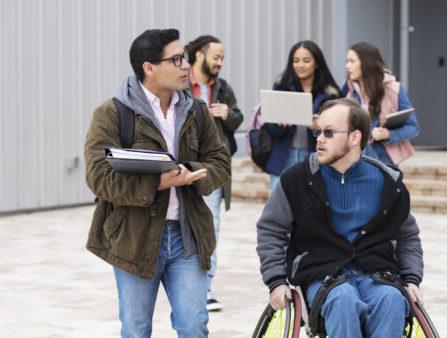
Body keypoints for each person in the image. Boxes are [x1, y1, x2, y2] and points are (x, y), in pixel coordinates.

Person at [84, 29, 231, 338]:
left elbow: (220, 161)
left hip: (187, 236)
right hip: (134, 238)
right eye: (176, 59)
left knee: (194, 327)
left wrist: (190, 172)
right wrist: (156, 185)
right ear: (148, 67)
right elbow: (99, 177)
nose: (184, 66)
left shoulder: (196, 111)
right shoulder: (111, 114)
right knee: (136, 330)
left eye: (185, 58)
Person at [256, 98, 424, 337]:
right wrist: (276, 280)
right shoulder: (296, 181)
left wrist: (411, 278)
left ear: (354, 137)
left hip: (376, 274)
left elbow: (408, 236)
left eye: (329, 132)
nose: (319, 139)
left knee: (392, 300)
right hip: (323, 277)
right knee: (343, 300)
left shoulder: (388, 182)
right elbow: (271, 231)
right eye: (317, 131)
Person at [184, 34, 243, 311]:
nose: (220, 62)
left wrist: (226, 114)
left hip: (211, 170)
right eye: (216, 57)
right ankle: (182, 283)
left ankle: (204, 289)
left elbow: (238, 118)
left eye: (222, 58)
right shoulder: (179, 83)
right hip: (180, 167)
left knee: (210, 227)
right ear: (199, 56)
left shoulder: (222, 88)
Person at [263, 40, 340, 190]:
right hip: (284, 155)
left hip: (316, 156)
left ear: (316, 63)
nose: (300, 65)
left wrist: (318, 128)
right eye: (296, 61)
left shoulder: (330, 93)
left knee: (311, 207)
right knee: (278, 207)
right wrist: (279, 125)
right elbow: (270, 128)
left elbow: (338, 132)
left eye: (306, 61)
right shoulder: (282, 86)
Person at [343, 42, 420, 168]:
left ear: (366, 62)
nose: (347, 66)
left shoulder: (394, 89)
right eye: (347, 61)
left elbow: (413, 127)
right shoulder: (349, 90)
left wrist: (388, 135)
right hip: (354, 164)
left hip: (384, 164)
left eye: (352, 61)